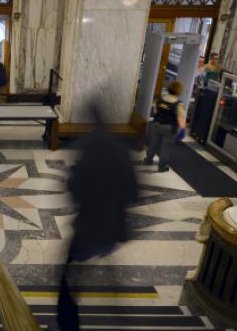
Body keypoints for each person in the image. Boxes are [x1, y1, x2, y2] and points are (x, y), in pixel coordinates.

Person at [57, 104, 138, 330]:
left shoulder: (89, 148)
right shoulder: (121, 149)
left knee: (67, 280)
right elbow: (134, 191)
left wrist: (73, 179)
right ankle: (119, 316)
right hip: (113, 229)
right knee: (107, 269)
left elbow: (77, 190)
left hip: (89, 229)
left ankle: (67, 324)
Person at [144, 81, 186, 172]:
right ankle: (162, 167)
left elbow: (155, 111)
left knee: (153, 144)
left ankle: (148, 160)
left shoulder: (160, 99)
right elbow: (181, 118)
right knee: (165, 148)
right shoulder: (178, 104)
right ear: (179, 91)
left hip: (157, 125)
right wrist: (182, 130)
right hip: (169, 129)